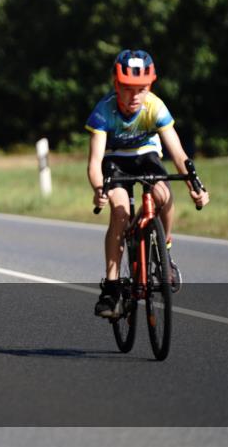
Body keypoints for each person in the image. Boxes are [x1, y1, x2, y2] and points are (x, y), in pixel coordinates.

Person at [86, 50, 209, 318]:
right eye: (128, 89)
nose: (135, 96)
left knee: (163, 194)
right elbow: (95, 162)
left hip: (146, 156)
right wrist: (99, 190)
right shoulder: (104, 111)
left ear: (150, 86)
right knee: (120, 213)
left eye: (141, 89)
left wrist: (195, 187)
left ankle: (164, 254)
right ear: (116, 84)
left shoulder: (155, 106)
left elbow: (178, 153)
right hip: (115, 161)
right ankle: (112, 288)